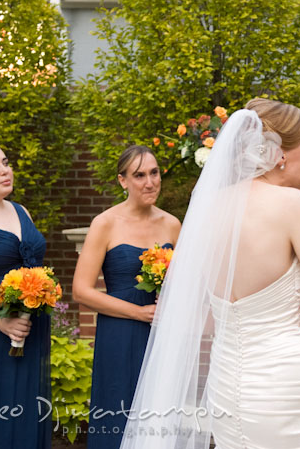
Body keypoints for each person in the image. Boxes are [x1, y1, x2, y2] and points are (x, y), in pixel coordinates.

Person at [120, 99, 300, 449]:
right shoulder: (291, 205)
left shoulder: (209, 208)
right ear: (280, 155)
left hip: (226, 386)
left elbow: (203, 320)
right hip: (286, 387)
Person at [72, 145, 181, 449]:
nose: (150, 182)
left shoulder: (172, 224)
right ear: (123, 181)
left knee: (160, 418)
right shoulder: (105, 223)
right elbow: (81, 291)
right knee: (117, 413)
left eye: (154, 173)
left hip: (162, 335)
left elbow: (185, 283)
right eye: (139, 175)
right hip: (119, 333)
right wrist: (138, 313)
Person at [0, 136, 51, 448]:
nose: (5, 170)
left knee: (24, 414)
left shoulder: (21, 212)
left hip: (28, 334)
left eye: (5, 162)